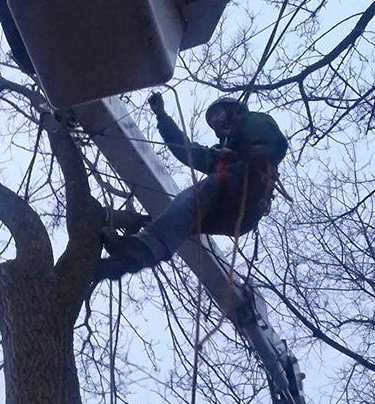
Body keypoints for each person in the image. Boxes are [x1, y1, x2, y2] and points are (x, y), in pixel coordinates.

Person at [97, 93, 288, 280]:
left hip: (249, 190)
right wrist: (162, 116)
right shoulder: (220, 156)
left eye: (217, 115)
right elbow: (186, 150)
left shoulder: (249, 121)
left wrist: (240, 154)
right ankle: (122, 263)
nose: (214, 122)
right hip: (232, 213)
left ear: (233, 111)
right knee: (179, 219)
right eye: (211, 121)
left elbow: (273, 146)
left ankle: (144, 248)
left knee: (195, 196)